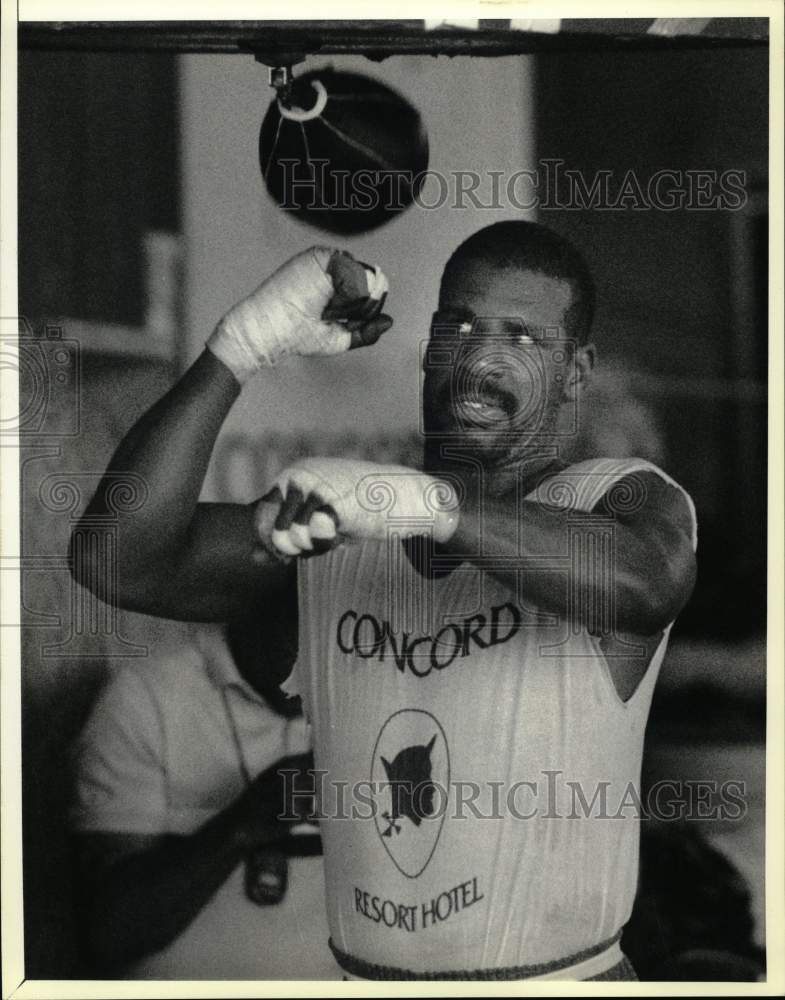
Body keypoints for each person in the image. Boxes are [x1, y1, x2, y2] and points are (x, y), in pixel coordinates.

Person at [71, 222, 697, 981]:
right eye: (457, 325)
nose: (480, 358)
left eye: (522, 337)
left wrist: (424, 503)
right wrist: (240, 346)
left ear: (574, 370)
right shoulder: (350, 529)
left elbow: (646, 581)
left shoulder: (613, 500)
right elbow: (116, 557)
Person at [69, 614, 338, 980]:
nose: (322, 658)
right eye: (300, 628)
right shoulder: (146, 696)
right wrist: (242, 825)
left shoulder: (370, 688)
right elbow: (109, 936)